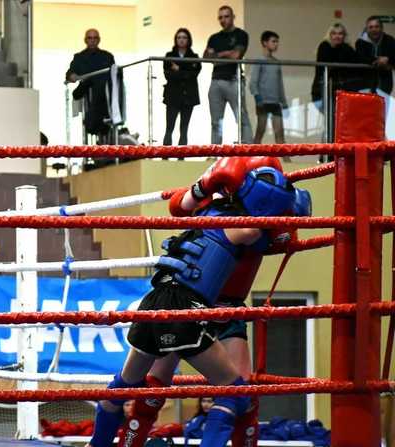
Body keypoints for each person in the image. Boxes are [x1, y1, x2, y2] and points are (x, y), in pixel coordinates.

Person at [87, 159, 305, 447]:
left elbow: (281, 236)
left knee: (123, 385)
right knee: (233, 392)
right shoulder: (248, 228)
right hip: (190, 307)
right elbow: (179, 205)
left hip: (161, 302)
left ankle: (97, 443)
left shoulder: (212, 209)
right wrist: (206, 186)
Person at [204, 6, 253, 144]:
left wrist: (217, 55)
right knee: (216, 122)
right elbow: (206, 57)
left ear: (233, 17)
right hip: (216, 82)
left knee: (242, 118)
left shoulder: (241, 35)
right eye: (220, 17)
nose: (223, 20)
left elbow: (236, 55)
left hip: (234, 80)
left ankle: (248, 150)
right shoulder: (214, 38)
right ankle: (214, 152)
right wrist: (227, 53)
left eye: (226, 16)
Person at [66, 29, 116, 141]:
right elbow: (70, 73)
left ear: (99, 40)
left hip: (106, 98)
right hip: (89, 100)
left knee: (106, 126)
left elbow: (115, 75)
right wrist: (72, 76)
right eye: (90, 38)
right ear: (85, 40)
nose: (92, 40)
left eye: (95, 38)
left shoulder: (107, 56)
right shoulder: (79, 57)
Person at [163, 28, 201, 146]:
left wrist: (179, 69)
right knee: (169, 127)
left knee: (184, 128)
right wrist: (186, 71)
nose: (181, 40)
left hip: (188, 96)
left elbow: (194, 74)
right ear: (175, 40)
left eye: (184, 37)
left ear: (189, 40)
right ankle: (165, 156)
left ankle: (182, 157)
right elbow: (168, 75)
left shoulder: (194, 57)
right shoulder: (169, 56)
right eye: (179, 37)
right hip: (173, 95)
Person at [249, 31, 288, 146]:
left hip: (275, 102)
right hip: (263, 102)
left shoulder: (276, 62)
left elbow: (279, 84)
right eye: (273, 41)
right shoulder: (259, 61)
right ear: (265, 43)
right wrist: (257, 97)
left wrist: (284, 102)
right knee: (260, 131)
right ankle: (252, 158)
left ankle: (287, 161)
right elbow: (253, 82)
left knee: (279, 133)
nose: (276, 44)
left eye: (277, 42)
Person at [355, 16, 395, 118]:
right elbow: (361, 57)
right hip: (365, 84)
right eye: (371, 27)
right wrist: (379, 60)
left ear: (381, 28)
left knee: (382, 115)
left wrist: (388, 60)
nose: (374, 29)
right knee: (366, 115)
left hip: (385, 84)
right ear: (367, 28)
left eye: (376, 26)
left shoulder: (390, 41)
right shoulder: (360, 42)